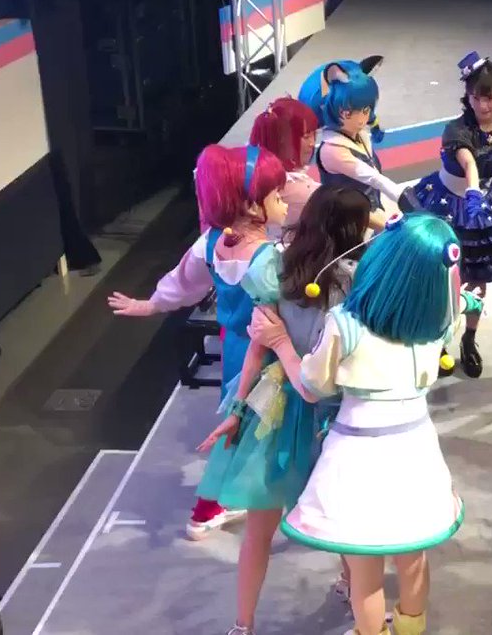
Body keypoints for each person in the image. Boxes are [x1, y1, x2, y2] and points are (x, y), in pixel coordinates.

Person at [249, 212, 480, 635]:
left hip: (357, 456)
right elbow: (455, 306)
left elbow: (312, 386)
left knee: (365, 568)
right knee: (413, 555)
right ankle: (410, 628)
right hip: (415, 449)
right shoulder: (441, 323)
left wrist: (281, 343)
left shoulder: (345, 324)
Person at [190, 187, 375, 635]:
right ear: (352, 229)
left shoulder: (276, 266)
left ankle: (243, 625)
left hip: (275, 407)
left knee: (260, 529)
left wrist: (238, 408)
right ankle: (358, 598)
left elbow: (258, 345)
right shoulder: (359, 280)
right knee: (346, 517)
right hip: (335, 410)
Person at [108, 145, 288, 540]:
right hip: (266, 354)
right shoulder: (271, 258)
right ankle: (210, 506)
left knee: (248, 422)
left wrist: (150, 304)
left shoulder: (211, 244)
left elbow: (182, 283)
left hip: (235, 346)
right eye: (277, 195)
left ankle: (242, 497)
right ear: (251, 205)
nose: (285, 201)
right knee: (249, 424)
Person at [415, 51, 492, 379]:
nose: (483, 105)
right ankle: (437, 342)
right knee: (442, 275)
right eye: (476, 97)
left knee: (477, 277)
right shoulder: (457, 129)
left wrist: (483, 189)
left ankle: (469, 339)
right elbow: (469, 163)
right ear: (468, 95)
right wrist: (474, 189)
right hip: (448, 203)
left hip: (482, 207)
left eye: (489, 97)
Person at [300, 57, 420, 212]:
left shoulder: (358, 134)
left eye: (367, 109)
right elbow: (370, 176)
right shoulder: (332, 150)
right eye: (361, 110)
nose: (366, 115)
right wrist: (399, 194)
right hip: (347, 218)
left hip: (369, 209)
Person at [248, 97, 322, 228]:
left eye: (313, 134)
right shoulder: (298, 191)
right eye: (306, 137)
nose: (312, 143)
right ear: (283, 140)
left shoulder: (256, 165)